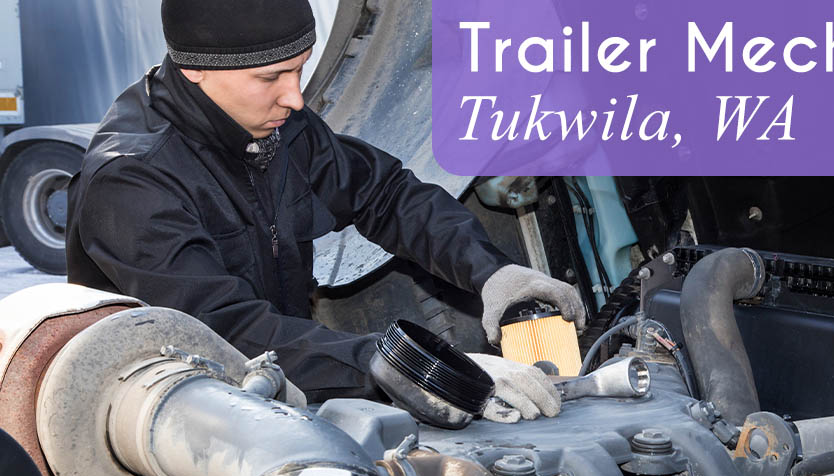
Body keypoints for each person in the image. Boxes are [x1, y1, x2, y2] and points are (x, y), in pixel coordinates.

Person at [65, 0, 583, 423]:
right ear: (197, 69)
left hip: (279, 385)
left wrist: (493, 273)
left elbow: (384, 195)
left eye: (300, 69)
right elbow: (222, 330)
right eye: (271, 77)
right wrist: (418, 371)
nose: (294, 97)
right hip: (180, 421)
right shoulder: (132, 181)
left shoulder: (275, 123)